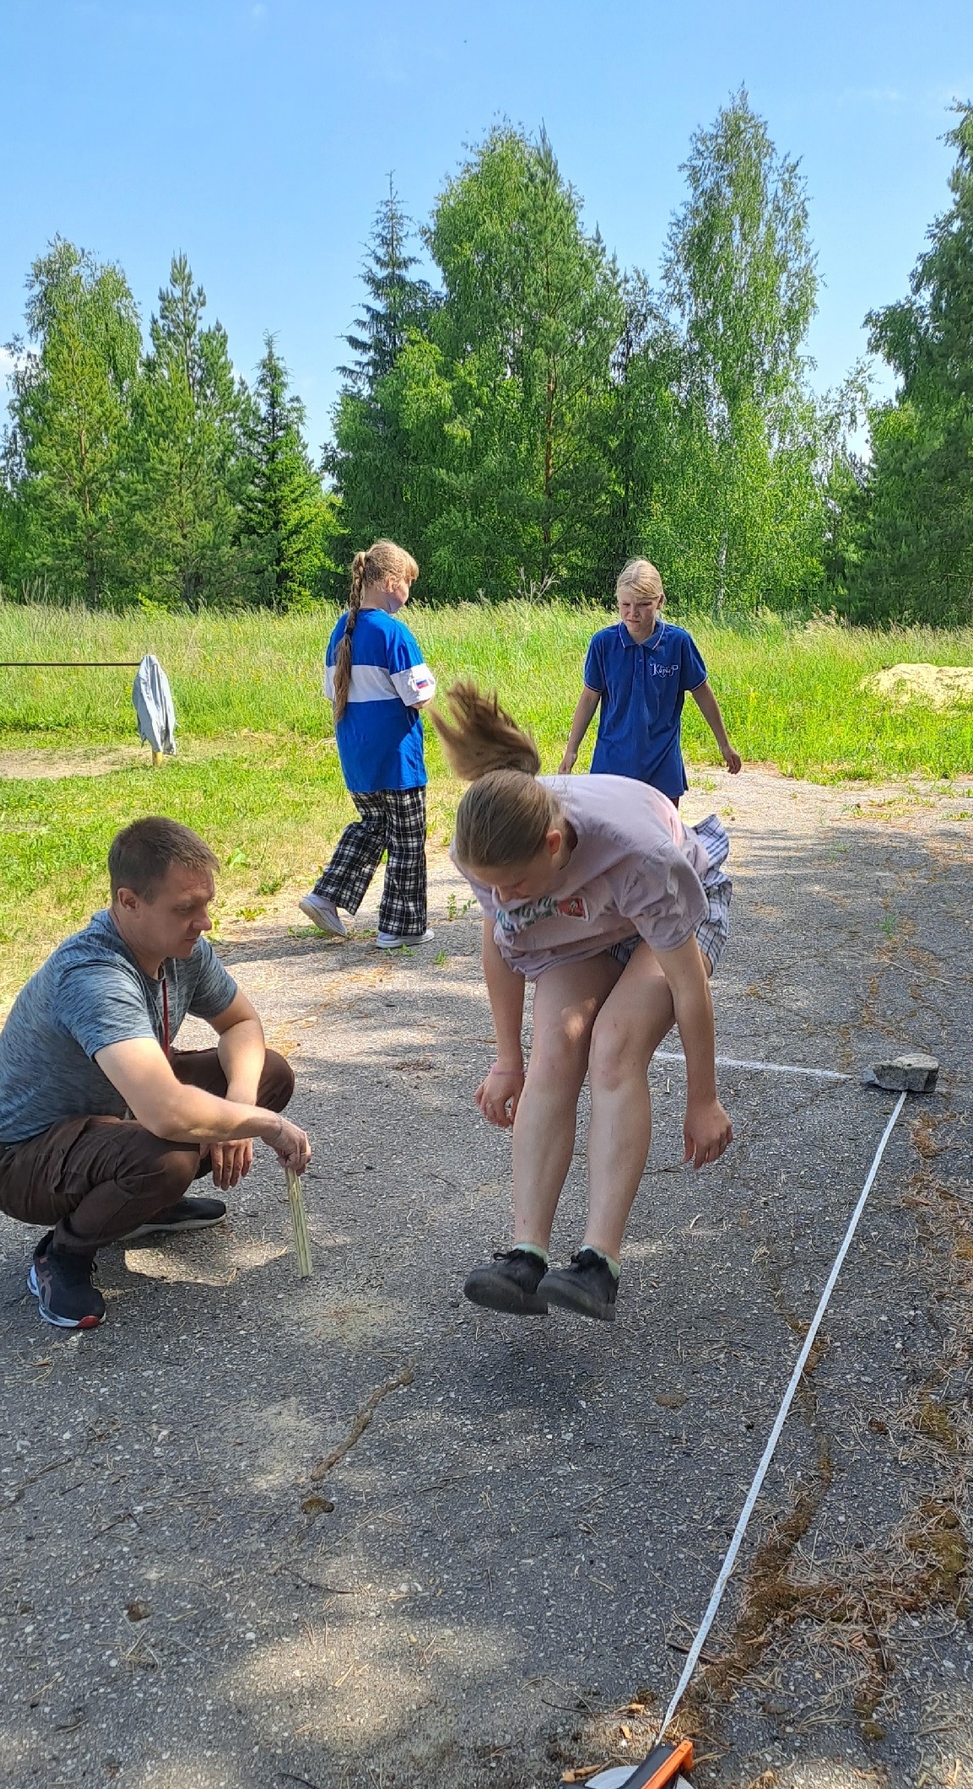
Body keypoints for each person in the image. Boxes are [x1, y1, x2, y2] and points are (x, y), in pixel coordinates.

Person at [435, 681, 734, 1323]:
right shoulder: (488, 852)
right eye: (492, 887)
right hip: (584, 919)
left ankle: (598, 1263)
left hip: (665, 909)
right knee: (556, 1050)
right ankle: (524, 1255)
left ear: (551, 845)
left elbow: (687, 983)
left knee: (614, 1047)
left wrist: (703, 1098)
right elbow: (500, 940)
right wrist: (505, 1059)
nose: (504, 899)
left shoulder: (640, 854)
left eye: (512, 885)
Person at [0, 817, 310, 1331]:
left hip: (116, 1116)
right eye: (185, 909)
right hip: (21, 1157)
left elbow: (241, 1023)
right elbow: (166, 1111)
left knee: (270, 1075)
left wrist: (245, 1104)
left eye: (206, 905)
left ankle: (136, 1210)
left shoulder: (183, 948)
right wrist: (263, 1125)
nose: (204, 923)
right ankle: (61, 1255)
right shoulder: (93, 977)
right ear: (128, 901)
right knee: (169, 1153)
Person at [299, 540, 437, 949]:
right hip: (397, 758)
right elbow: (418, 695)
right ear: (391, 582)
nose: (409, 594)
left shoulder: (342, 628)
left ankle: (325, 894)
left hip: (357, 756)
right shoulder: (393, 632)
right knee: (408, 839)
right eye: (408, 583)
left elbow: (331, 690)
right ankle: (400, 926)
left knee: (374, 826)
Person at [559, 558, 741, 803]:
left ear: (660, 602)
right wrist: (571, 750)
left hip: (662, 764)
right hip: (612, 762)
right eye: (625, 604)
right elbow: (589, 697)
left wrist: (724, 744)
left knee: (661, 838)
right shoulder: (603, 643)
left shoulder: (678, 643)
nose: (633, 613)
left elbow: (702, 693)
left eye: (643, 604)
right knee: (611, 837)